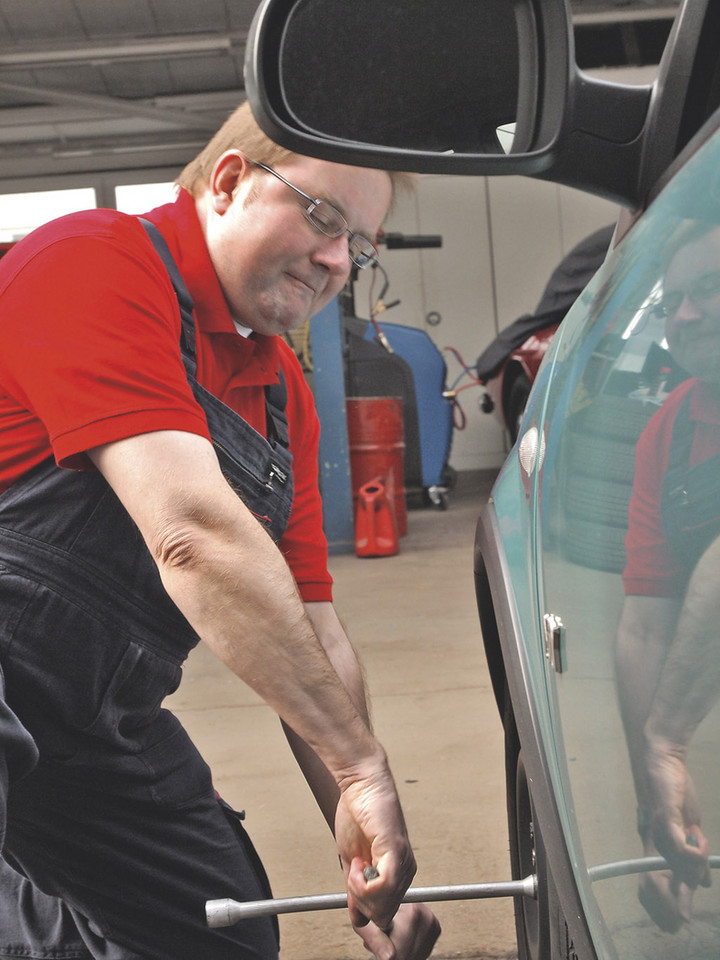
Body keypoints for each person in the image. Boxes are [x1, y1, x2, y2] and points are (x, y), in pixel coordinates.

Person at [0, 101, 441, 959]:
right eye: (322, 217)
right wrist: (361, 768)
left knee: (218, 935)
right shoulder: (95, 261)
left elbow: (310, 627)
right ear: (231, 182)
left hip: (93, 720)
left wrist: (366, 840)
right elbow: (194, 536)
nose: (336, 259)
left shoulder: (282, 400)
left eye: (358, 242)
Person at [616, 219, 720, 933]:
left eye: (708, 289)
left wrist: (669, 741)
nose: (685, 314)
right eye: (673, 300)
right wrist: (657, 809)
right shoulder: (670, 431)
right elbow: (645, 628)